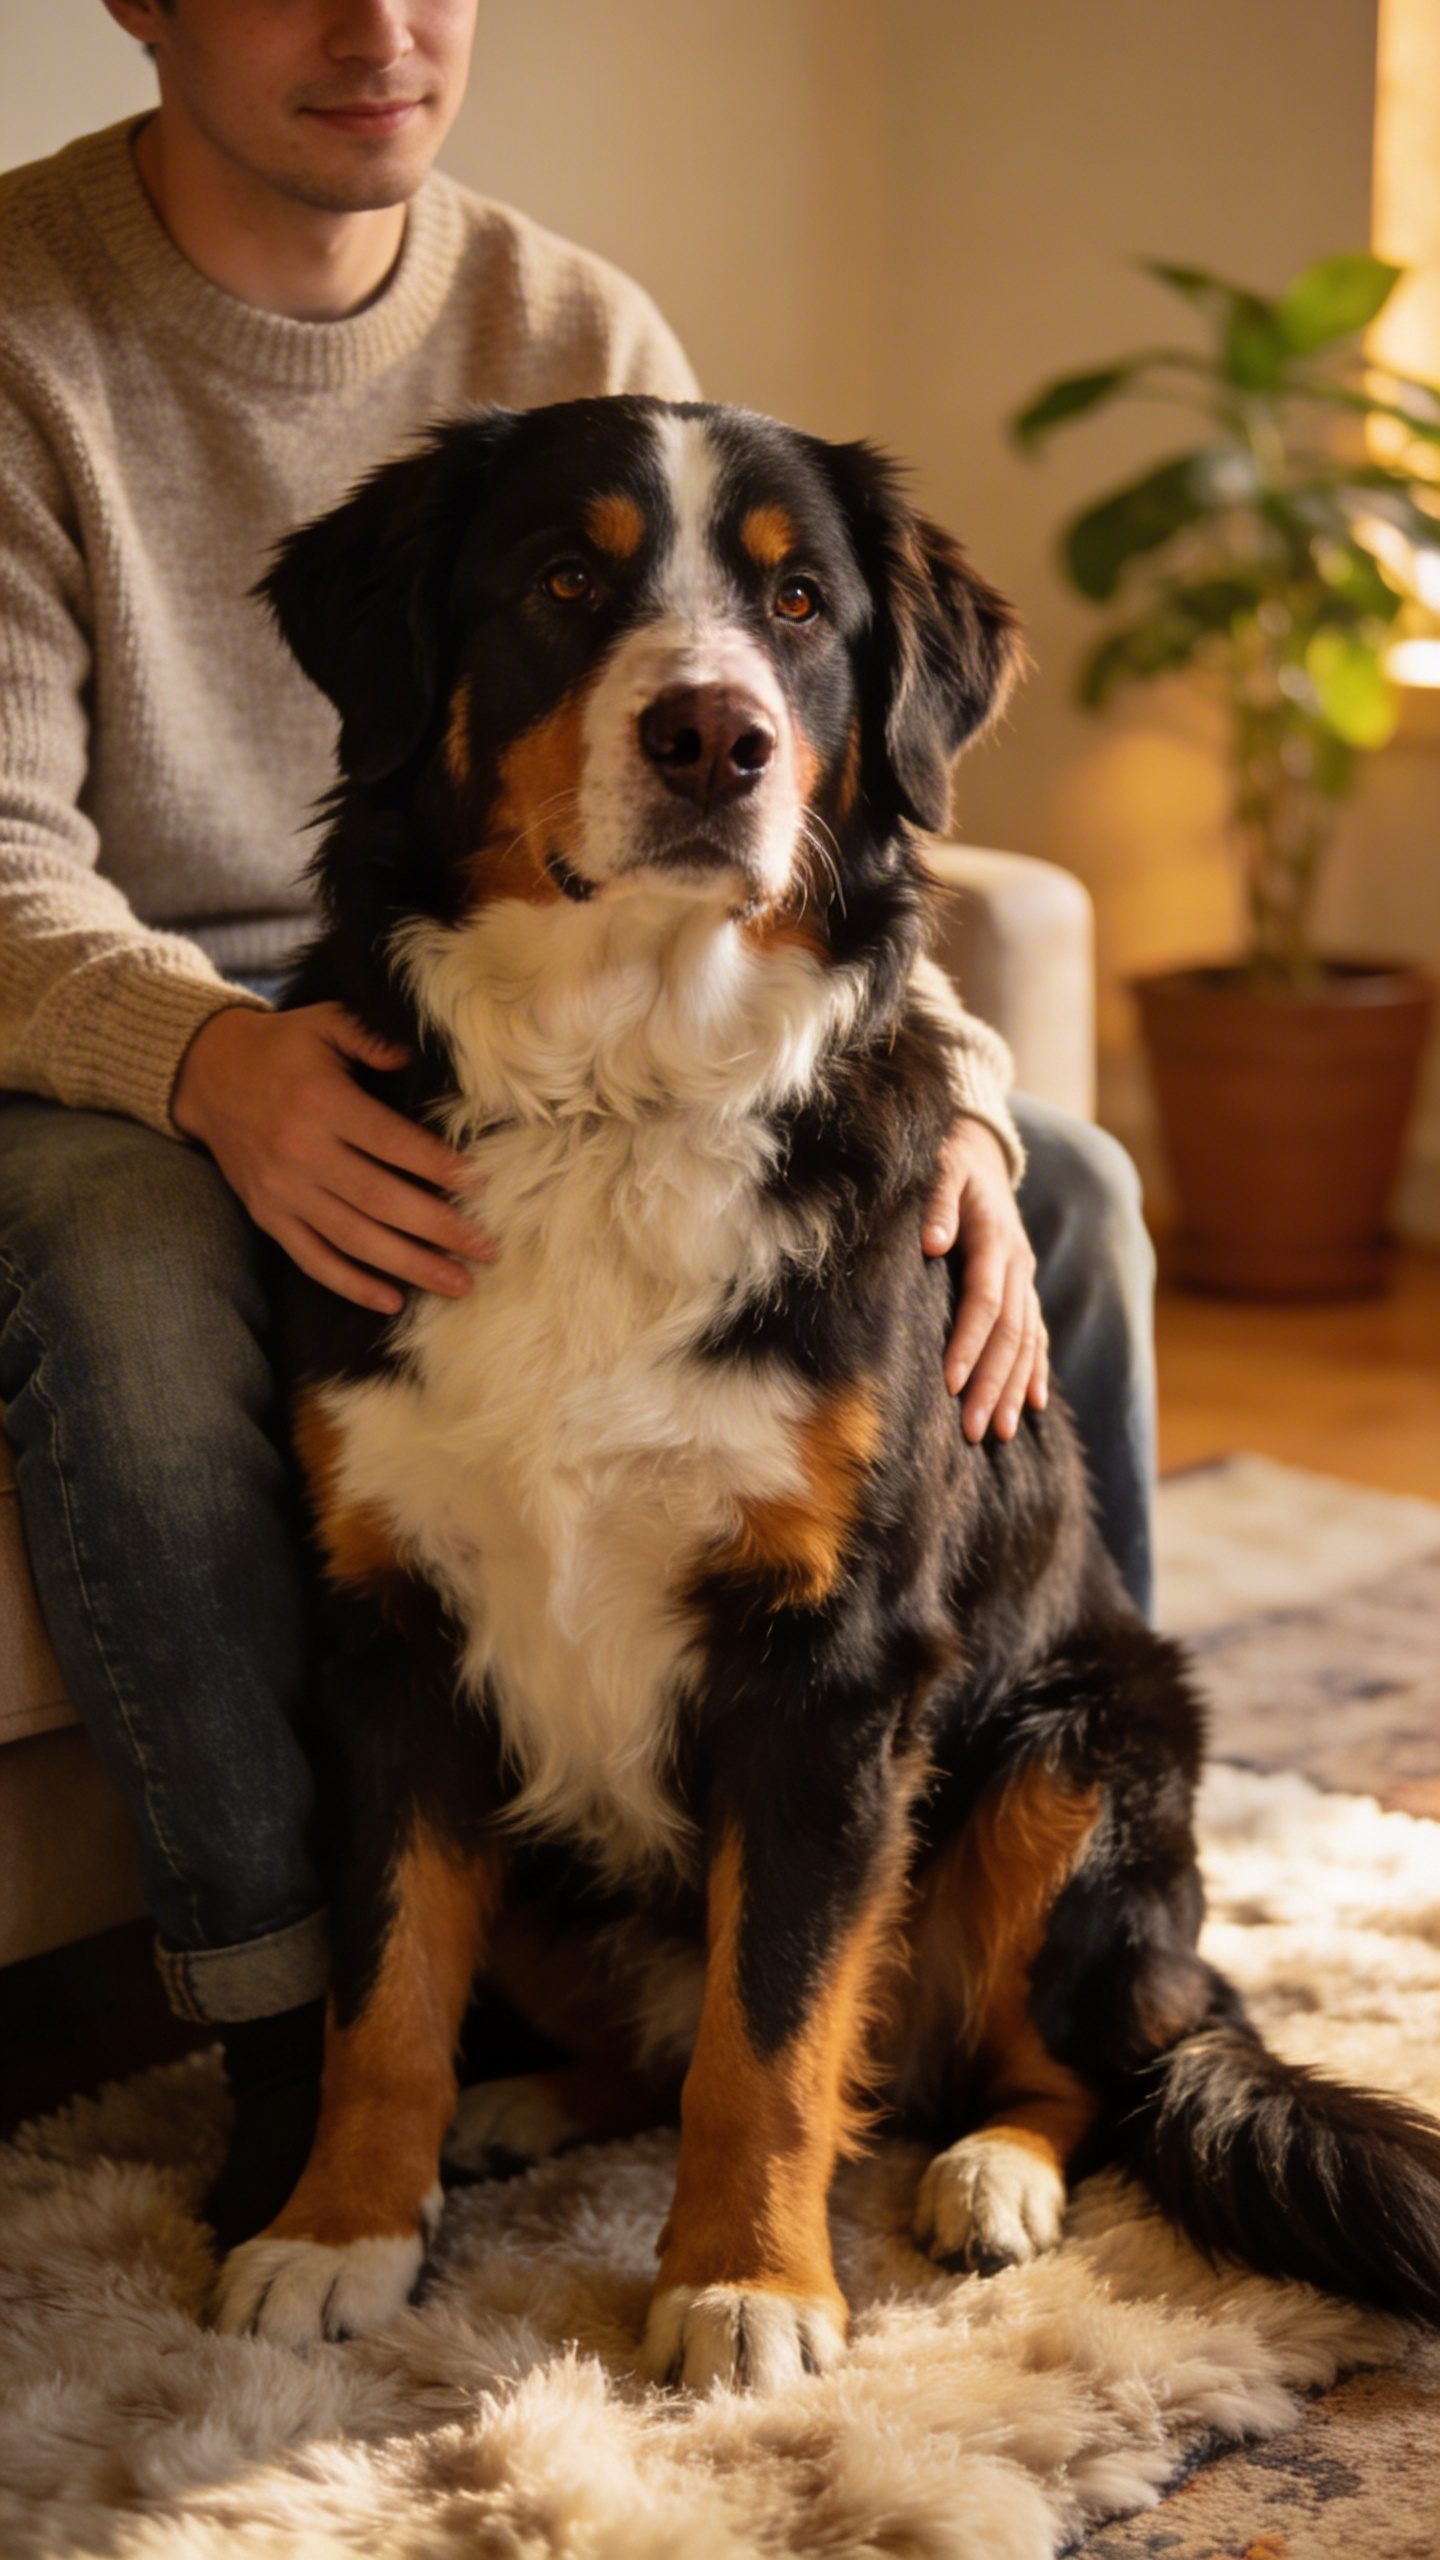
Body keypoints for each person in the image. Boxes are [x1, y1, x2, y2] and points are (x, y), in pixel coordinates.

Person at [0, 0, 1155, 2244]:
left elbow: (780, 725)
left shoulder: (565, 318)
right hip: (138, 1021)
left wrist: (979, 1117)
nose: (378, 27)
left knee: (1067, 1194)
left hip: (547, 981)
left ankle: (1046, 1924)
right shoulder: (20, 336)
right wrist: (203, 1054)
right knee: (131, 1268)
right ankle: (281, 2025)